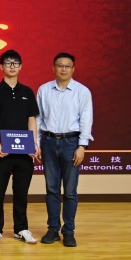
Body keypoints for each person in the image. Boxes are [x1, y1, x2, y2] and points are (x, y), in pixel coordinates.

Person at [0, 50, 41, 246]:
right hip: (2, 151)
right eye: (8, 63)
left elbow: (32, 120)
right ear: (1, 66)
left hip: (24, 153)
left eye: (16, 63)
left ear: (21, 66)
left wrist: (34, 144)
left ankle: (21, 229)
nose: (12, 66)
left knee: (21, 193)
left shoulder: (27, 92)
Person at [37, 52, 93, 247]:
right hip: (49, 142)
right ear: (53, 68)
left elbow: (86, 119)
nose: (63, 69)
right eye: (59, 65)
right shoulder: (44, 90)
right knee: (51, 189)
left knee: (70, 191)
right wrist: (36, 143)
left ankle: (68, 231)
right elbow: (38, 118)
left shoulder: (82, 91)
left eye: (67, 66)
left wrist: (82, 146)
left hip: (72, 143)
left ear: (73, 69)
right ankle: (53, 229)